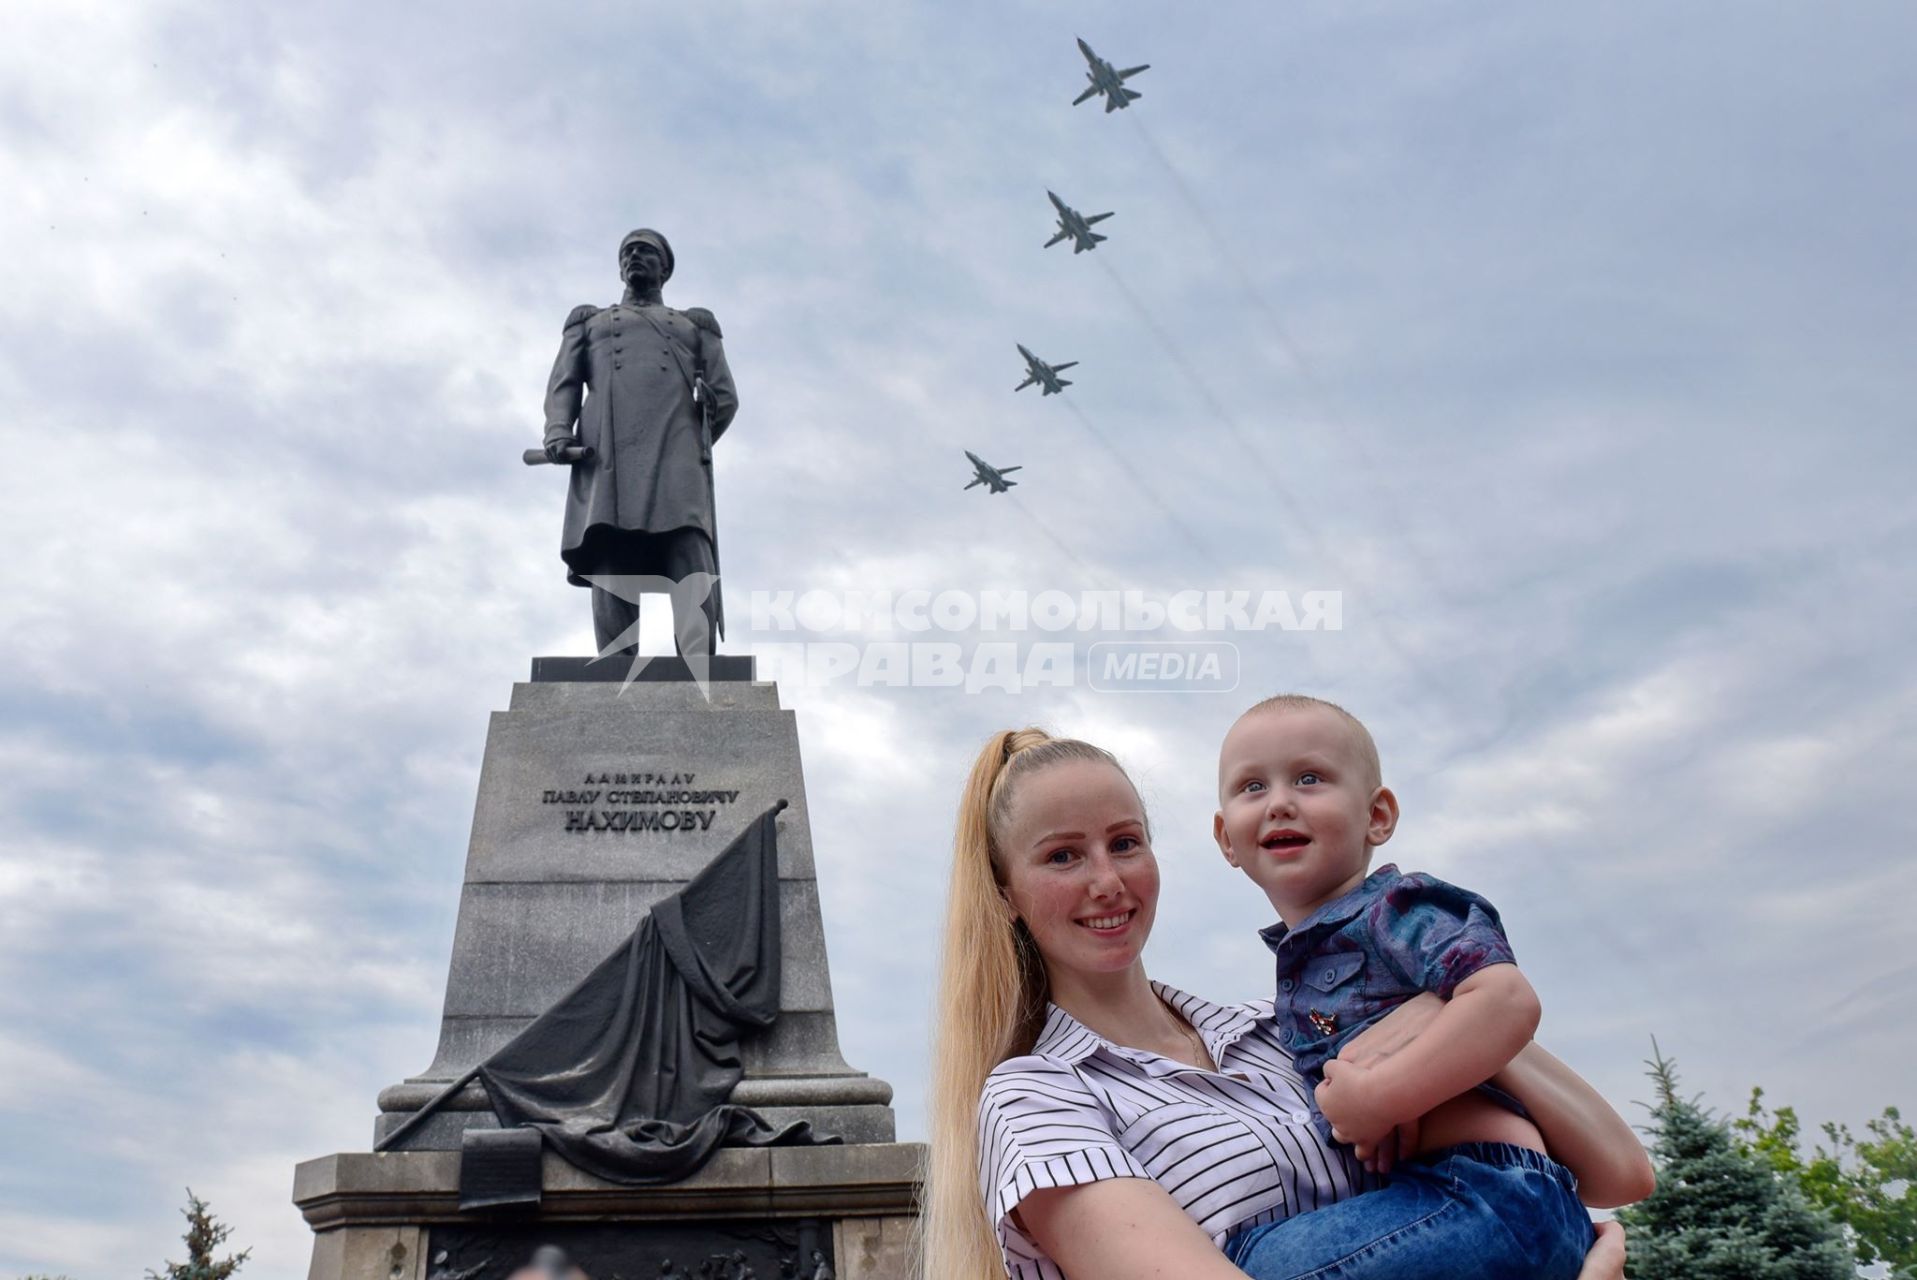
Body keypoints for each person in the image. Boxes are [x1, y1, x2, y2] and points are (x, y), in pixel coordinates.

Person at [925, 729, 1653, 1280]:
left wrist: (1450, 1005)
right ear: (1003, 894)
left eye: (1125, 843)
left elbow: (1619, 1172)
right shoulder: (1036, 1097)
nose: (1107, 880)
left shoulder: (1283, 1029)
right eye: (1062, 856)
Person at [1211, 694, 1591, 1277]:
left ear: (1378, 816)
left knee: (1251, 1264)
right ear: (1226, 839)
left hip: (1492, 1190)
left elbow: (1507, 1000)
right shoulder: (1296, 973)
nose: (1280, 802)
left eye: (1309, 778)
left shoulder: (1399, 908)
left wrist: (1378, 1098)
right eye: (1252, 787)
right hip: (1431, 1200)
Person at [541, 228, 738, 658]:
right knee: (610, 544)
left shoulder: (694, 324)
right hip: (608, 450)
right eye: (627, 251)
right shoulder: (589, 321)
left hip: (676, 447)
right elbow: (565, 383)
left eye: (645, 251)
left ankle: (696, 657)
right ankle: (617, 658)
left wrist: (698, 438)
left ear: (664, 267)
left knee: (687, 542)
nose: (634, 256)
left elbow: (724, 397)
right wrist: (558, 429)